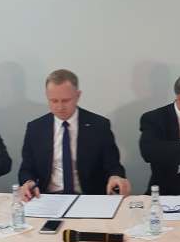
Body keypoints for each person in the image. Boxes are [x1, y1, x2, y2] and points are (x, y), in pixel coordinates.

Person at [18, 69, 130, 199]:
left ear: (78, 96)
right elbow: (26, 169)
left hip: (89, 198)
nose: (60, 107)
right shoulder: (36, 128)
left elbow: (113, 165)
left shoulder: (99, 126)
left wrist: (115, 177)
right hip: (47, 197)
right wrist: (28, 182)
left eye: (65, 100)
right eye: (54, 101)